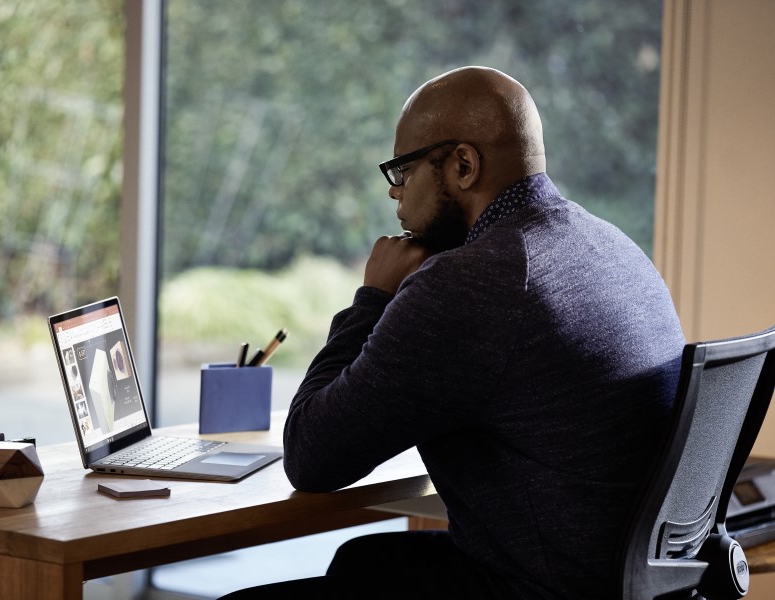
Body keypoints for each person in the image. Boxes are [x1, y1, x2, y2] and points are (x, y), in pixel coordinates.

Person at [221, 66, 685, 599]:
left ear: (463, 165)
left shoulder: (476, 281)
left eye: (404, 170)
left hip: (532, 586)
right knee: (360, 560)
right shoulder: (611, 246)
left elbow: (310, 455)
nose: (395, 195)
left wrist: (373, 297)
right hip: (611, 580)